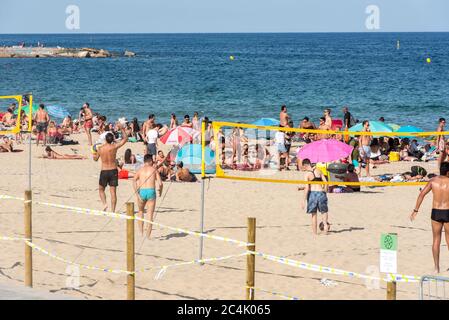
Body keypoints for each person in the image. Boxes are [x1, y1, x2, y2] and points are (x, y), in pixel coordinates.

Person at [411, 162, 449, 274]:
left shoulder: (433, 181)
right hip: (447, 211)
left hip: (436, 212)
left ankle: (436, 268)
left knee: (436, 240)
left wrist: (415, 210)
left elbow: (422, 194)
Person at [93, 123, 128, 212]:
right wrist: (122, 128)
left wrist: (94, 153)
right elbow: (125, 139)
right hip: (113, 170)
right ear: (112, 139)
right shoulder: (114, 147)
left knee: (101, 189)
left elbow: (95, 159)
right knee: (113, 192)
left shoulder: (100, 148)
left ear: (105, 139)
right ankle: (113, 211)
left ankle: (104, 204)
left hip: (104, 170)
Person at [133, 154, 163, 238]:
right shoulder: (153, 170)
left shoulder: (140, 170)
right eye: (152, 161)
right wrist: (161, 191)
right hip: (151, 191)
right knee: (150, 214)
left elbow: (134, 180)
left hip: (142, 191)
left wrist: (136, 193)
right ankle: (148, 236)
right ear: (150, 161)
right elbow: (160, 183)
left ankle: (141, 233)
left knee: (140, 211)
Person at [301, 158, 330, 235]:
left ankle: (315, 233)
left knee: (314, 215)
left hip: (312, 194)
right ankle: (326, 229)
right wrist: (325, 190)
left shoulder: (307, 174)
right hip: (321, 193)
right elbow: (326, 182)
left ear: (305, 165)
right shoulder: (319, 170)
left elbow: (307, 188)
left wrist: (303, 200)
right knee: (324, 212)